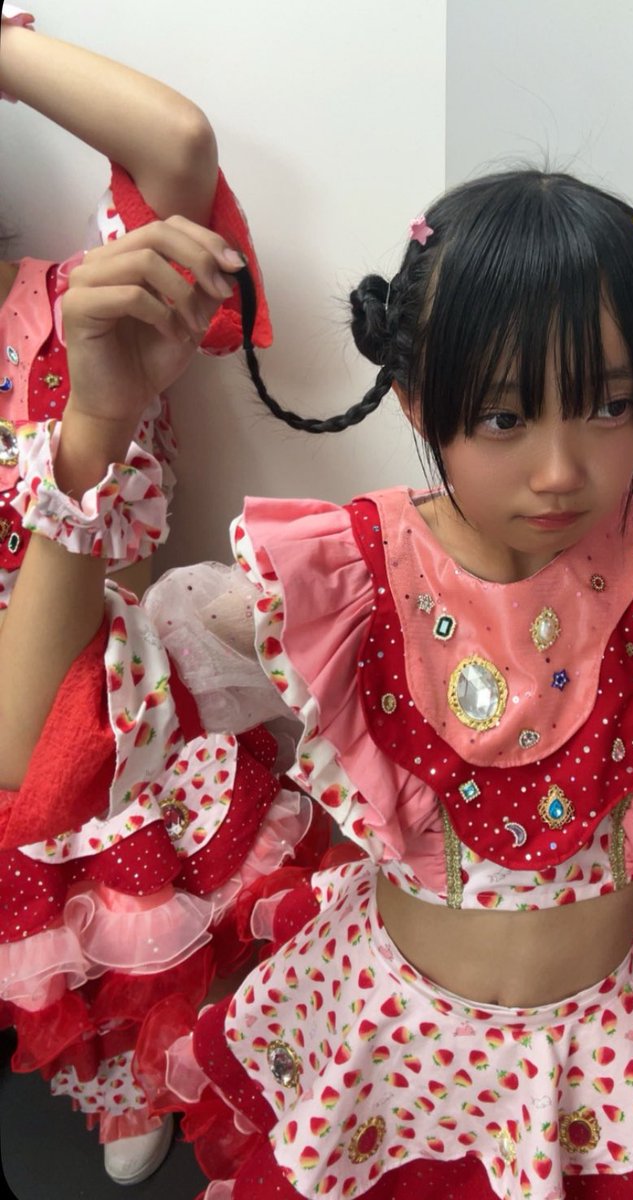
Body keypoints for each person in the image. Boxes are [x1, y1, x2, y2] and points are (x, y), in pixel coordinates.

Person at [0, 90, 633, 1198]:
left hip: (599, 1070)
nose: (561, 470)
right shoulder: (337, 588)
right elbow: (35, 749)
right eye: (503, 417)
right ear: (413, 397)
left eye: (606, 405)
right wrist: (93, 426)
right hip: (382, 1054)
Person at [0, 7, 315, 1187]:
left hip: (125, 720)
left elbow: (177, 143)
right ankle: (91, 1062)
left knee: (159, 950)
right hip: (10, 746)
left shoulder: (87, 296)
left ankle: (147, 1058)